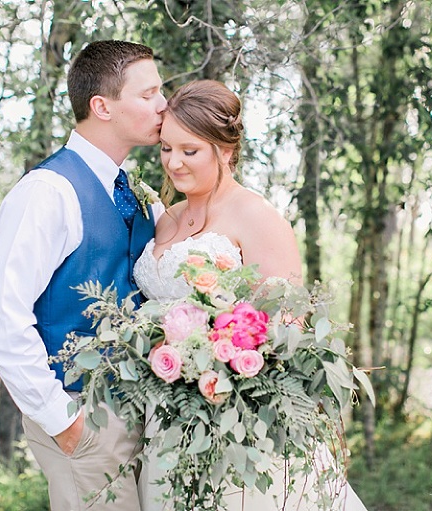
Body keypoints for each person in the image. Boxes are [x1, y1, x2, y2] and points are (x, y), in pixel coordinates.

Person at [132, 79, 367, 510]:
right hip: (167, 415)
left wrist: (219, 363)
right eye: (166, 148)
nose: (174, 163)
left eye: (190, 150)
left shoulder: (257, 216)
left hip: (237, 415)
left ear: (225, 150)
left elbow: (286, 325)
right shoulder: (167, 218)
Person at [0, 40, 167, 511]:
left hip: (148, 413)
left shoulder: (138, 193)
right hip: (81, 416)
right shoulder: (47, 192)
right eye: (149, 95)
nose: (165, 104)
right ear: (102, 106)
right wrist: (63, 421)